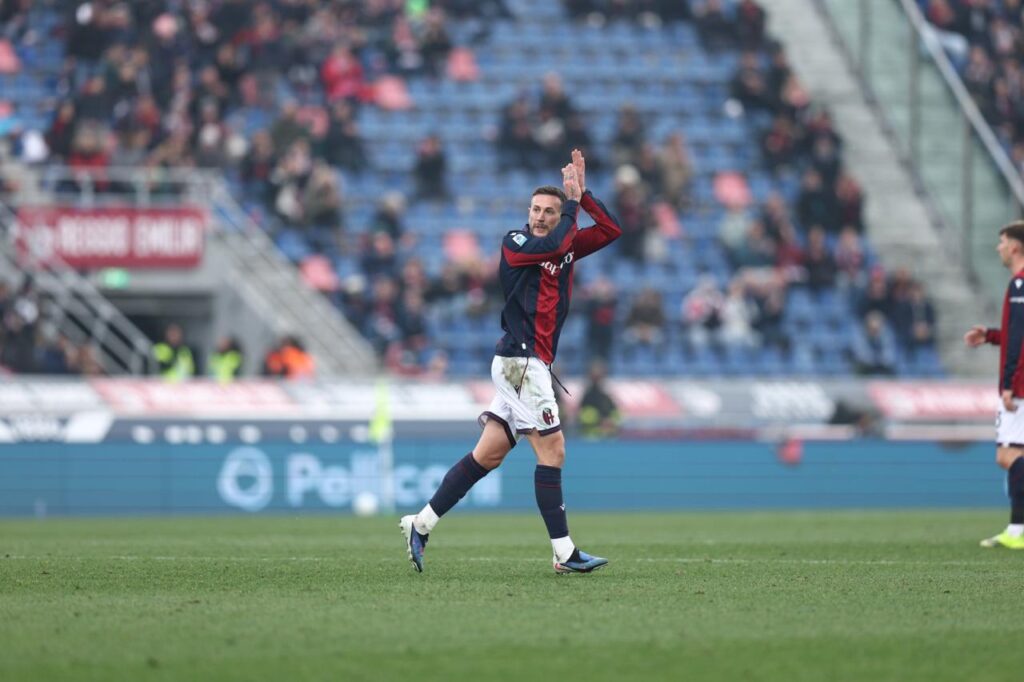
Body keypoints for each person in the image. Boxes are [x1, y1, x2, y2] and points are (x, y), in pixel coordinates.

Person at [400, 150, 621, 574]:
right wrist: (572, 208)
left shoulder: (566, 245)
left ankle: (420, 523)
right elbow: (555, 243)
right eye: (535, 209)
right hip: (520, 362)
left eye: (549, 211)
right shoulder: (516, 243)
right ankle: (564, 553)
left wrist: (584, 195)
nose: (539, 216)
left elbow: (611, 229)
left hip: (526, 364)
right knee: (553, 449)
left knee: (487, 456)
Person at [965, 222, 1024, 549]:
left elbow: (1018, 339)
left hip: (1020, 386)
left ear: (1015, 247)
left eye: (1002, 242)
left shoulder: (1019, 283)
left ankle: (1017, 530)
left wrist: (1008, 384)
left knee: (1007, 455)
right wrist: (989, 335)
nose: (998, 247)